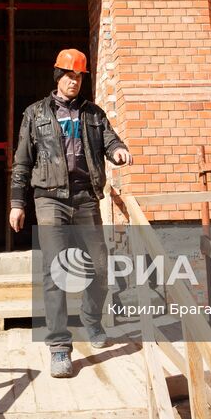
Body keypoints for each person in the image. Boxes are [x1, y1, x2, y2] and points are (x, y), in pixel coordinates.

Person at [9, 48, 132, 378]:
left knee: (101, 267)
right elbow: (22, 162)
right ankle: (59, 346)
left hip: (85, 198)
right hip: (49, 199)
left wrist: (118, 150)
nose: (73, 81)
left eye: (78, 76)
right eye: (68, 75)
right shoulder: (35, 114)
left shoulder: (94, 114)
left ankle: (92, 321)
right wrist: (17, 202)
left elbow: (110, 140)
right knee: (55, 270)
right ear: (57, 77)